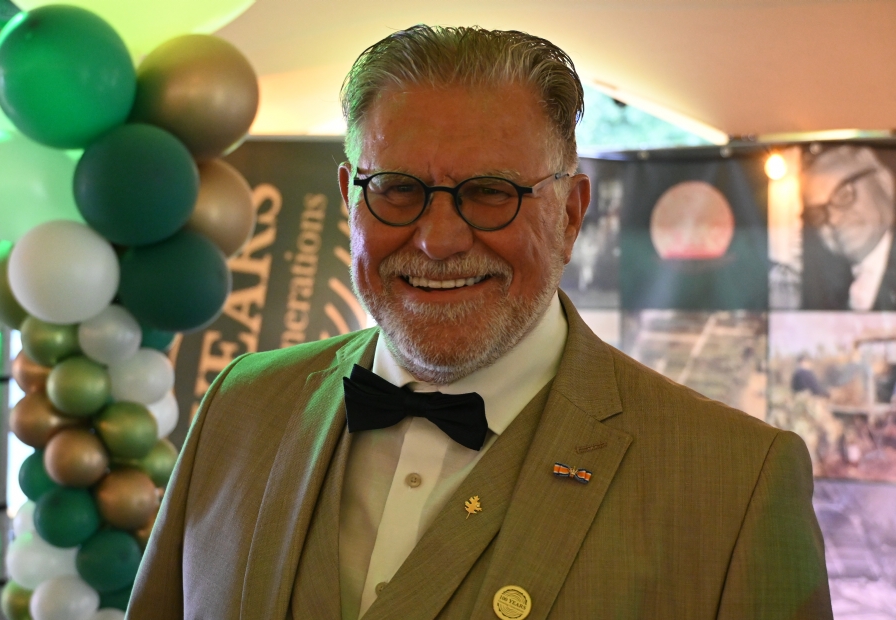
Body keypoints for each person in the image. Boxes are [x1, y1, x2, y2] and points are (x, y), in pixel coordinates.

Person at [129, 26, 831, 619]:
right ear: (349, 200)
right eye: (397, 189)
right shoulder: (241, 405)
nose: (438, 240)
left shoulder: (735, 483)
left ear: (571, 214)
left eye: (491, 193)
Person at [800, 145, 896, 310]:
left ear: (884, 182)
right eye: (818, 213)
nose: (833, 220)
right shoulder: (822, 290)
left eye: (844, 195)